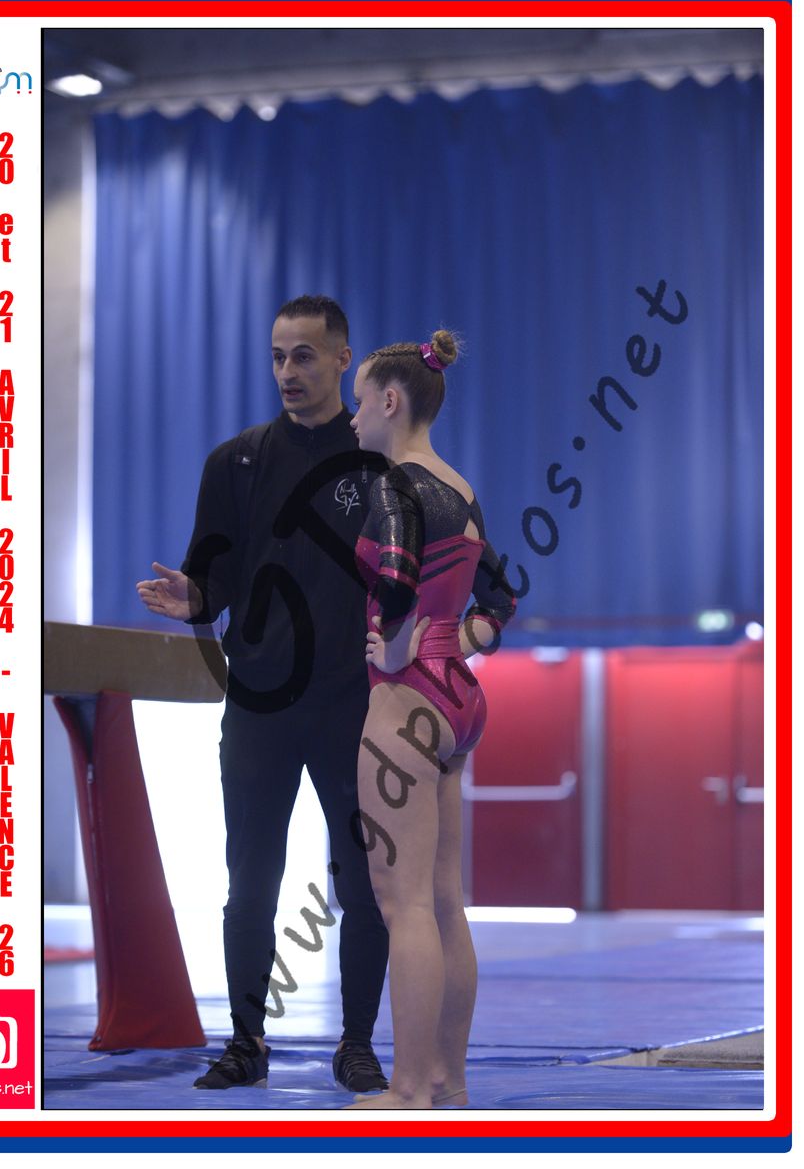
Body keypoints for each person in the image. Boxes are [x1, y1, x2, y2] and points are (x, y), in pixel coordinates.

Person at [137, 296, 390, 1093]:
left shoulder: (378, 467)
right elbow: (212, 575)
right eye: (278, 355)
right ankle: (245, 1042)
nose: (288, 370)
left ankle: (357, 1043)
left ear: (342, 359)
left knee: (361, 882)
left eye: (304, 355)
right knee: (250, 883)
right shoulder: (235, 463)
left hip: (351, 705)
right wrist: (194, 597)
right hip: (259, 706)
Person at [346, 330, 517, 1109]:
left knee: (403, 903)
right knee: (444, 900)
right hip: (458, 697)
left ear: (390, 401)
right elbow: (501, 599)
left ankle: (410, 1086)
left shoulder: (396, 486)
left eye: (358, 404)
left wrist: (391, 649)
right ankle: (449, 1077)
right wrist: (455, 643)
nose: (353, 419)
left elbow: (397, 579)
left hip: (406, 699)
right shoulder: (463, 489)